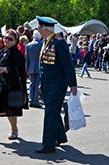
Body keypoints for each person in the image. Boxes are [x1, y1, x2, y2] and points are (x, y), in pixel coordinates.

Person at [35, 16, 77, 153]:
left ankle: (48, 144)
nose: (38, 30)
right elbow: (44, 65)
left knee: (50, 113)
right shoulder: (46, 41)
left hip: (57, 84)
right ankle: (60, 136)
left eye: (39, 27)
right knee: (53, 111)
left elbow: (68, 65)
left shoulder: (59, 42)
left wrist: (73, 85)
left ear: (45, 29)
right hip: (47, 84)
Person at [26, 30, 43, 108]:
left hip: (31, 67)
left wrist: (27, 68)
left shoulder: (28, 45)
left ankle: (30, 99)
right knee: (37, 85)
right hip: (39, 67)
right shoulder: (41, 44)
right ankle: (35, 101)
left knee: (31, 84)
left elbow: (27, 58)